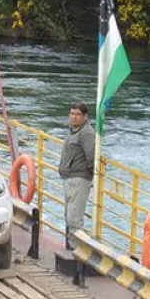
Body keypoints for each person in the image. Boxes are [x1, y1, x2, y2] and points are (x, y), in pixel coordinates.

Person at [58, 103, 95, 251]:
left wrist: (88, 175)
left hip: (79, 178)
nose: (74, 117)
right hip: (69, 178)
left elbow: (91, 155)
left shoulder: (86, 133)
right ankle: (72, 247)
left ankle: (78, 251)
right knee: (69, 215)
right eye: (72, 114)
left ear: (85, 116)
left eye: (77, 114)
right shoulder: (73, 131)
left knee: (74, 218)